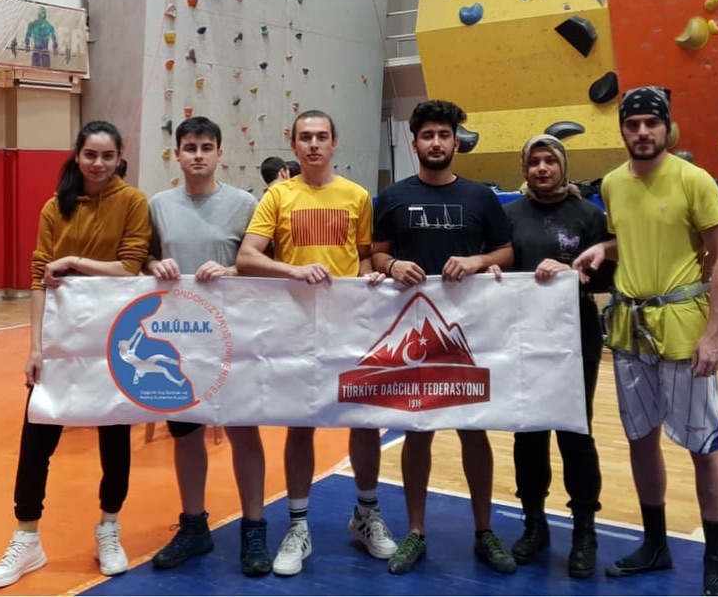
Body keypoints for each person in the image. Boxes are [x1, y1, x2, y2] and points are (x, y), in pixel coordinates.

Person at [572, 87, 718, 597]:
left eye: (651, 123)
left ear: (667, 127)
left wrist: (715, 334)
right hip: (630, 332)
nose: (642, 132)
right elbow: (635, 237)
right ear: (622, 129)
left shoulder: (694, 179)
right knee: (641, 440)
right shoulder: (612, 184)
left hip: (685, 332)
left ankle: (715, 561)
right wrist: (603, 248)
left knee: (704, 446)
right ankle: (655, 544)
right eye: (633, 124)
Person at [0, 121, 151, 589]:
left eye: (107, 156)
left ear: (119, 158)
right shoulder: (55, 206)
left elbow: (130, 268)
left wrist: (74, 263)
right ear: (77, 156)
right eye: (90, 155)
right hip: (61, 341)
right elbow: (39, 276)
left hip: (114, 340)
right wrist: (36, 348)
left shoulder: (133, 202)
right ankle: (27, 538)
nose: (98, 164)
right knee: (37, 439)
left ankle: (108, 528)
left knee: (114, 440)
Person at [236, 110, 396, 576]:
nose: (313, 144)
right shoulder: (277, 196)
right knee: (300, 423)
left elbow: (364, 258)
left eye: (321, 136)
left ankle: (366, 514)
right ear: (293, 145)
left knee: (364, 420)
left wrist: (368, 277)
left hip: (349, 325)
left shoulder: (357, 196)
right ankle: (298, 526)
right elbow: (247, 257)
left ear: (334, 143)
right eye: (304, 137)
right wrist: (293, 270)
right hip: (296, 327)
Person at [370, 99, 516, 576]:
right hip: (414, 330)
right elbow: (376, 253)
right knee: (417, 430)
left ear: (456, 142)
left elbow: (507, 251)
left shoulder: (480, 197)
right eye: (428, 135)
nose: (436, 142)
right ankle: (415, 531)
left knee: (474, 429)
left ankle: (484, 531)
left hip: (469, 330)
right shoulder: (393, 196)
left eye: (444, 135)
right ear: (415, 144)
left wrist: (478, 261)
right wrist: (392, 265)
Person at [145, 116, 271, 577]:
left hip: (233, 337)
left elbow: (265, 260)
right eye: (190, 147)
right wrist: (155, 264)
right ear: (177, 154)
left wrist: (233, 271)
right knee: (186, 433)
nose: (197, 155)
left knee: (244, 432)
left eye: (206, 147)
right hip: (180, 339)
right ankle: (194, 525)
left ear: (219, 153)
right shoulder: (159, 205)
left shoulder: (245, 203)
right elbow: (144, 255)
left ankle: (254, 527)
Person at [502, 134, 610, 578]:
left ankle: (584, 530)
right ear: (524, 168)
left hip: (575, 336)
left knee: (575, 432)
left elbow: (607, 278)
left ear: (563, 166)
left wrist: (573, 273)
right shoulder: (509, 215)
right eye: (534, 162)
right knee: (528, 432)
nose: (542, 168)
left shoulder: (589, 215)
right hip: (523, 336)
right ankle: (534, 525)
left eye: (550, 160)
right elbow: (499, 268)